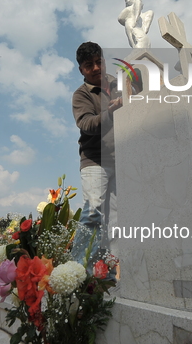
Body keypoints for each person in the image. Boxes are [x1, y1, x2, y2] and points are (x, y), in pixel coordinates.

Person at [71, 42, 122, 278]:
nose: (95, 68)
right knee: (93, 214)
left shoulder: (120, 83)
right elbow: (86, 124)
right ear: (81, 69)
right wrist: (111, 111)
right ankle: (77, 275)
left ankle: (108, 277)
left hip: (123, 160)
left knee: (116, 222)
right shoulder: (81, 95)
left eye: (98, 61)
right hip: (95, 162)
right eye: (88, 65)